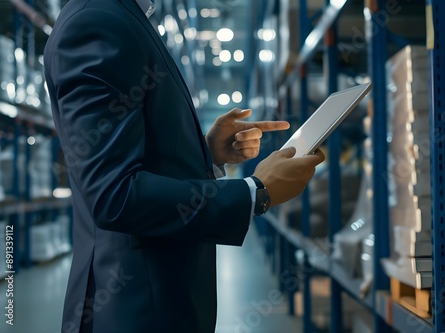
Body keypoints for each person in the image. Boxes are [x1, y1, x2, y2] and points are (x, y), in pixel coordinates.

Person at [43, 0, 325, 332]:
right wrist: (255, 192)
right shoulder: (98, 22)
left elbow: (134, 159)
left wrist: (206, 153)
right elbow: (114, 195)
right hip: (137, 310)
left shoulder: (123, 18)